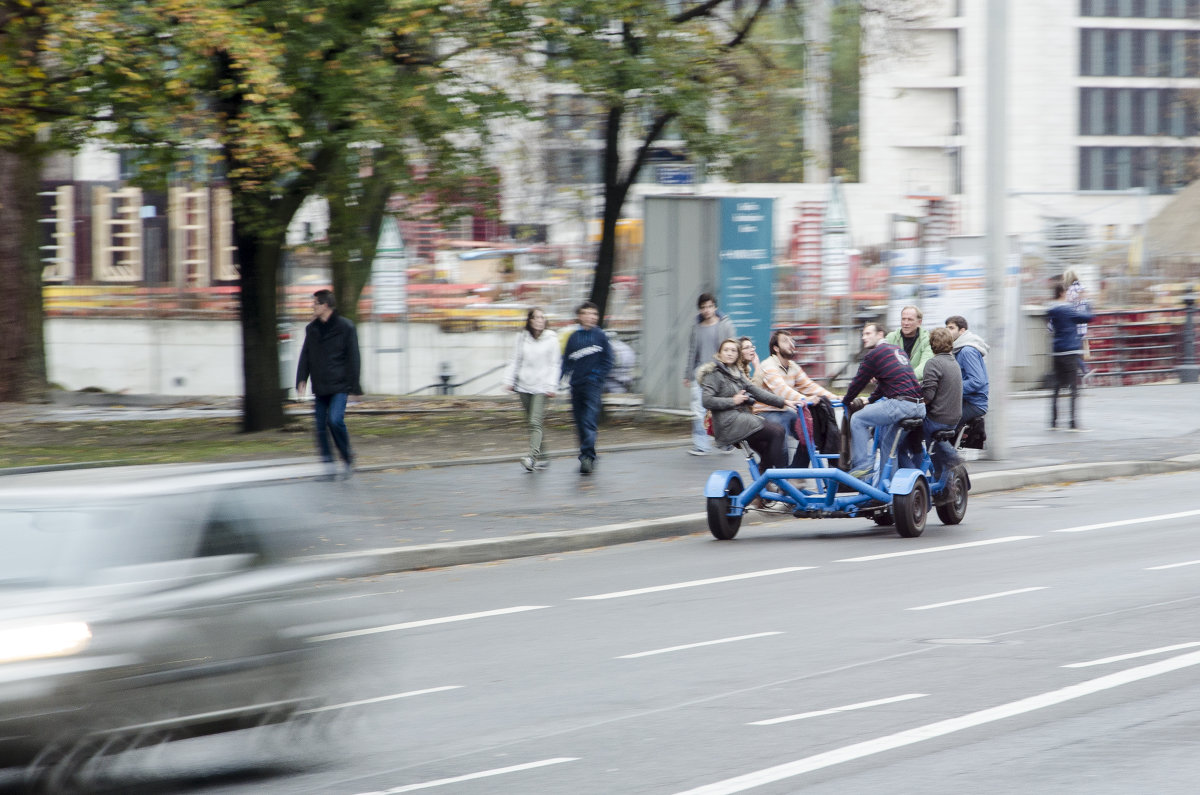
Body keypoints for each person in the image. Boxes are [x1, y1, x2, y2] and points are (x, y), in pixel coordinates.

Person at [697, 338, 798, 480]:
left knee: (767, 448)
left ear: (737, 355)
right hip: (728, 422)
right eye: (726, 350)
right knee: (778, 431)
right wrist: (733, 400)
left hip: (741, 419)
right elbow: (706, 400)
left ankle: (762, 487)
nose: (730, 353)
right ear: (719, 354)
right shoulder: (713, 374)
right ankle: (777, 481)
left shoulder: (736, 373)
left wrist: (784, 402)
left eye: (733, 350)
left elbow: (757, 392)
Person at [842, 322, 926, 482]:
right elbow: (886, 383)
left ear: (880, 334)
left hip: (901, 404)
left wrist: (846, 401)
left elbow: (858, 382)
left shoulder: (875, 354)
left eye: (868, 334)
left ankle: (862, 467)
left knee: (858, 419)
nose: (863, 337)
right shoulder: (897, 351)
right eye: (863, 334)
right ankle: (888, 488)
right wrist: (871, 399)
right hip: (919, 405)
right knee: (888, 444)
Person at [296, 289, 362, 478]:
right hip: (321, 386)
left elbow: (354, 358)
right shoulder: (312, 329)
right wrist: (301, 379)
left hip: (340, 385)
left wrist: (355, 387)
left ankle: (347, 456)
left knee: (334, 420)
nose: (313, 306)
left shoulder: (346, 327)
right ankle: (329, 465)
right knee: (319, 426)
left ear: (325, 305)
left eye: (315, 303)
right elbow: (306, 356)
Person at [755, 330, 837, 468]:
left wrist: (835, 397)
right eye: (785, 341)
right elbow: (782, 390)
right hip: (765, 412)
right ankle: (783, 477)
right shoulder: (768, 365)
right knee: (781, 437)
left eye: (791, 340)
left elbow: (810, 386)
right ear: (776, 348)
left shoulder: (792, 367)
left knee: (811, 436)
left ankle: (795, 473)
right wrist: (805, 399)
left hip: (785, 411)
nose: (791, 344)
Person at [503, 307, 559, 472]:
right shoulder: (521, 338)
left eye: (542, 317)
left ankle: (531, 457)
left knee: (535, 422)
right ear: (530, 320)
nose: (540, 320)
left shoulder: (551, 338)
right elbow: (514, 360)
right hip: (524, 386)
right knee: (533, 424)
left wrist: (552, 385)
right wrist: (509, 380)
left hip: (542, 387)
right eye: (536, 317)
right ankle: (545, 456)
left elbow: (555, 364)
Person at [562, 301, 613, 475]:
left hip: (593, 385)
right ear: (580, 316)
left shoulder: (600, 336)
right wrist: (558, 380)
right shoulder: (573, 337)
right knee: (579, 422)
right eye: (587, 313)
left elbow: (609, 360)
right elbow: (566, 362)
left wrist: (596, 376)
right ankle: (588, 453)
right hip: (576, 385)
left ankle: (587, 457)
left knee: (589, 421)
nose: (591, 317)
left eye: (594, 314)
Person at [683, 293, 737, 456]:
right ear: (700, 309)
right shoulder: (696, 327)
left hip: (720, 373)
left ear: (715, 307)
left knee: (722, 409)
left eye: (709, 306)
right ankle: (701, 445)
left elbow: (733, 349)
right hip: (700, 374)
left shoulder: (725, 325)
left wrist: (732, 371)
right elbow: (693, 351)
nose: (707, 310)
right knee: (698, 409)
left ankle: (726, 443)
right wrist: (688, 374)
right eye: (703, 307)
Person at [1047, 281, 1095, 431]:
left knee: (1057, 387)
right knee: (1074, 388)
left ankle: (1053, 422)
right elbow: (1087, 317)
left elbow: (1050, 327)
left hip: (1057, 350)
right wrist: (1087, 303)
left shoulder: (1051, 309)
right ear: (1062, 293)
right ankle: (1073, 423)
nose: (1069, 295)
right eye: (1067, 292)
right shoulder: (1067, 310)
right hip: (1069, 350)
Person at [920, 327, 963, 475]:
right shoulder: (954, 362)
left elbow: (928, 397)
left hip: (938, 418)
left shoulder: (933, 363)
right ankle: (945, 482)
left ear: (932, 344)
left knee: (912, 430)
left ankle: (950, 456)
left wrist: (916, 399)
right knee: (935, 448)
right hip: (954, 418)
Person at [945, 315, 989, 429]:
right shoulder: (958, 349)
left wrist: (951, 389)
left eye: (951, 328)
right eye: (946, 328)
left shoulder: (967, 351)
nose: (947, 331)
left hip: (974, 403)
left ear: (962, 330)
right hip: (965, 400)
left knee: (938, 426)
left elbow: (977, 381)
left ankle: (945, 447)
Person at [885, 305, 934, 379]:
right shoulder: (891, 338)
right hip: (893, 384)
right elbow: (882, 360)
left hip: (916, 385)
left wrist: (906, 379)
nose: (905, 323)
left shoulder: (927, 339)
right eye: (903, 319)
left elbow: (925, 365)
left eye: (910, 320)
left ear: (919, 322)